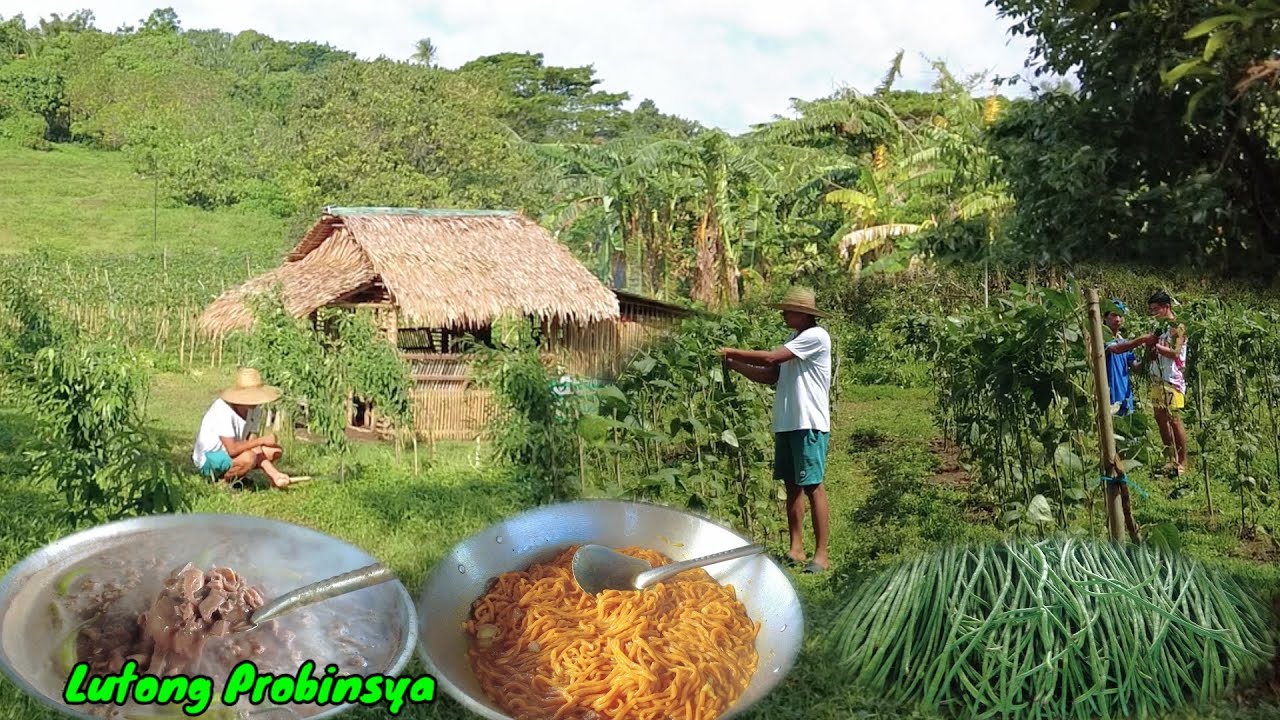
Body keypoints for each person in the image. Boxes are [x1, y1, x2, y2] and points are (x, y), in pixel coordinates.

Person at [719, 286, 833, 574]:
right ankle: (796, 549)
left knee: (812, 486)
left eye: (788, 309)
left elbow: (770, 359)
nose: (783, 313)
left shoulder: (816, 337)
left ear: (804, 314)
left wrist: (733, 351)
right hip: (787, 422)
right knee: (792, 486)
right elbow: (771, 375)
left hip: (808, 422)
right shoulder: (793, 340)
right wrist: (735, 365)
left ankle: (821, 555)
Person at [192, 367, 292, 489]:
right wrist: (262, 440)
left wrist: (274, 474)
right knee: (248, 458)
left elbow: (253, 443)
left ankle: (240, 476)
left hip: (232, 453)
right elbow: (232, 449)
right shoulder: (223, 410)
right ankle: (224, 483)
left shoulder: (255, 409)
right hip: (209, 457)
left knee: (274, 451)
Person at [1144, 290, 1189, 476]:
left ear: (1167, 307)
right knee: (1160, 419)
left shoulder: (1177, 327)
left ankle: (1182, 462)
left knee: (1175, 420)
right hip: (1157, 379)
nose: (1154, 313)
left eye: (1156, 309)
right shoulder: (1158, 329)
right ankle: (1170, 458)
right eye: (1152, 310)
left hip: (1172, 380)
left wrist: (1157, 347)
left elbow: (1175, 352)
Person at [1102, 300, 1148, 417]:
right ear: (1105, 318)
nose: (1117, 319)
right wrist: (1140, 340)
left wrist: (1148, 356)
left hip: (1125, 395)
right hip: (1109, 394)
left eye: (1120, 315)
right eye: (1113, 315)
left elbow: (1136, 367)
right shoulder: (1101, 341)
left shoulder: (1124, 342)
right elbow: (1115, 349)